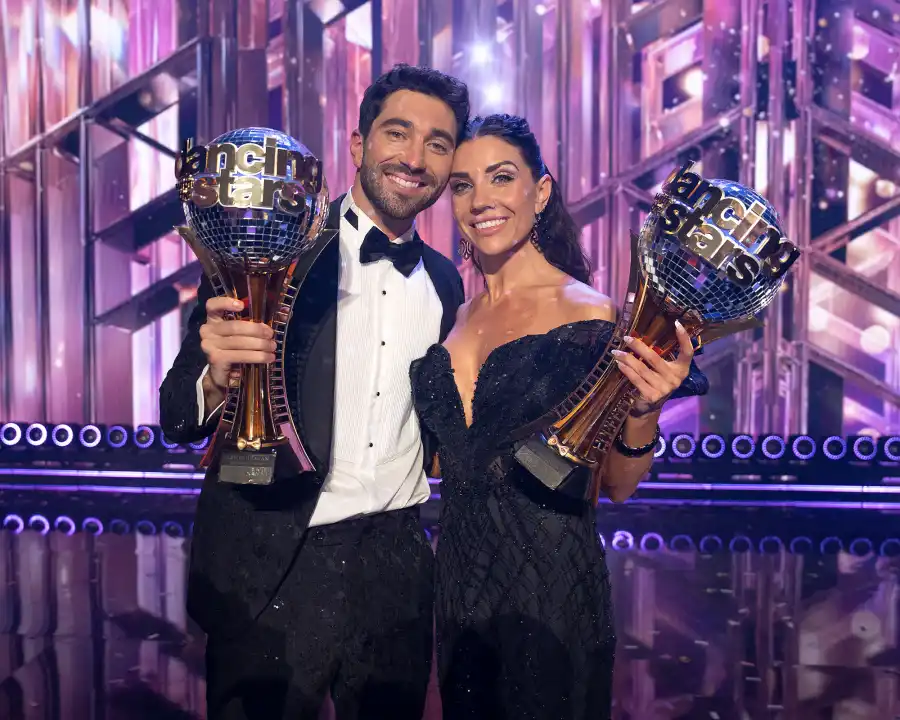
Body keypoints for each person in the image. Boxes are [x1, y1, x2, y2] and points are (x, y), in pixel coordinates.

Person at [159, 64, 468, 720]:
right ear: (357, 146)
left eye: (437, 144)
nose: (414, 158)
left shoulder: (446, 284)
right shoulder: (270, 242)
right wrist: (214, 375)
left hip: (394, 572)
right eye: (397, 133)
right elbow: (177, 414)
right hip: (272, 563)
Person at [410, 114, 709, 720]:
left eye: (501, 178)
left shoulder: (594, 321)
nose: (481, 200)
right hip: (459, 598)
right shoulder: (452, 317)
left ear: (539, 192)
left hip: (551, 598)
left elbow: (619, 486)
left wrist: (645, 410)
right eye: (463, 185)